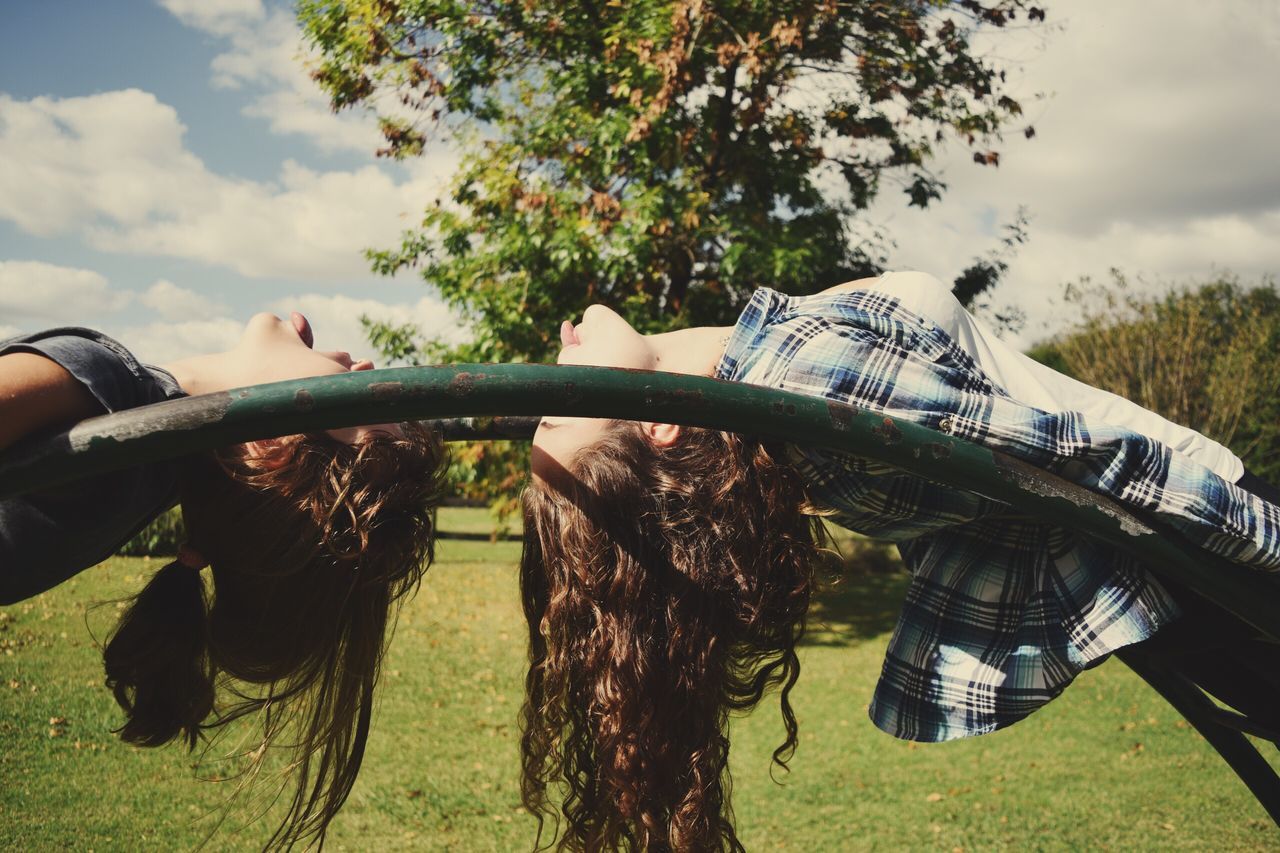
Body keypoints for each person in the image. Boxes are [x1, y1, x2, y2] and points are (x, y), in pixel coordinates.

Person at [519, 271, 1280, 850]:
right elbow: (1070, 463)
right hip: (1206, 534)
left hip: (1193, 552)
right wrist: (1259, 535)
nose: (555, 361)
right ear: (655, 430)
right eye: (557, 409)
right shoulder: (805, 390)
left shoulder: (766, 382)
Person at [0, 312, 447, 848]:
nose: (367, 368)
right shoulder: (149, 468)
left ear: (271, 453)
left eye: (369, 406)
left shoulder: (112, 397)